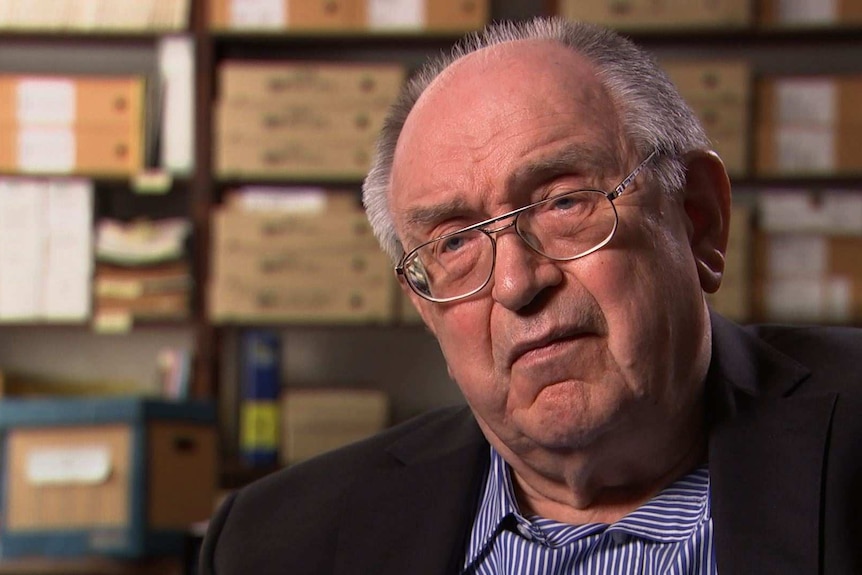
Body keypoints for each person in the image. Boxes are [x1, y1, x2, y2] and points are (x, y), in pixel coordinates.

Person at [199, 16, 862, 574]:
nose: (517, 284)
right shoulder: (276, 543)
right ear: (426, 306)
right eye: (453, 244)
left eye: (565, 203)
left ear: (698, 220)